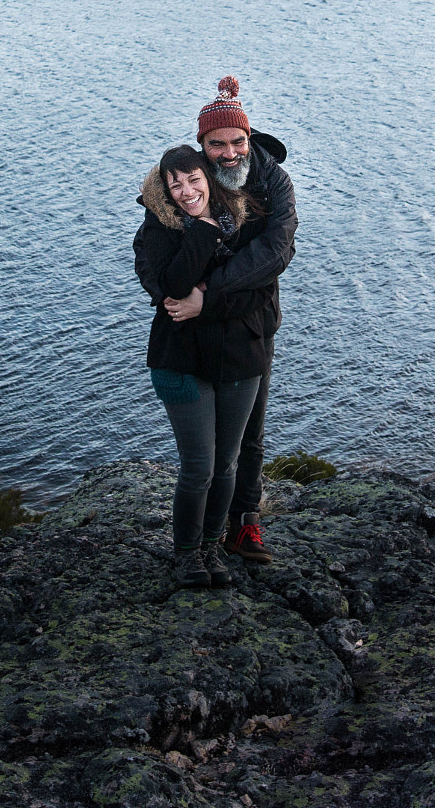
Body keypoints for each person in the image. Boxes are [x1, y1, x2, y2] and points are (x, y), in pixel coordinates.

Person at [144, 76, 297, 566]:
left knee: (247, 434)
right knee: (212, 454)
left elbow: (276, 251)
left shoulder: (272, 183)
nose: (229, 153)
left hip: (253, 323)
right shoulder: (182, 192)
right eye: (217, 144)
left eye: (237, 142)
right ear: (201, 148)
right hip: (197, 338)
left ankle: (244, 524)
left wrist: (206, 296)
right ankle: (204, 544)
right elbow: (156, 269)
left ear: (248, 139)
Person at [133, 143, 276, 587]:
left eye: (194, 180)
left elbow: (261, 288)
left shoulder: (247, 219)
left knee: (228, 463)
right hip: (181, 362)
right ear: (165, 189)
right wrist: (201, 231)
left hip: (240, 359)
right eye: (175, 185)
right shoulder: (157, 230)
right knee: (200, 466)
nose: (186, 191)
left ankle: (214, 547)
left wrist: (207, 300)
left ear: (208, 178)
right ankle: (188, 555)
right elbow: (172, 287)